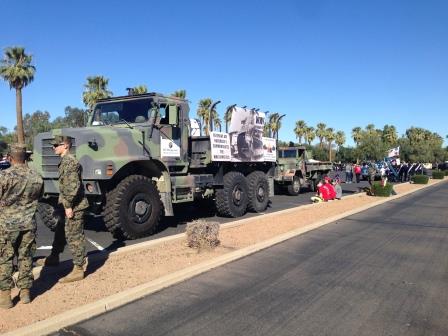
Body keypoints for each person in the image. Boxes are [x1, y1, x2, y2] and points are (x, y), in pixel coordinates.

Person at [37, 135, 89, 283]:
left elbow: (73, 187)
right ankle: (54, 257)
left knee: (75, 236)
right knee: (60, 230)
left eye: (56, 145)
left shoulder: (71, 162)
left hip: (74, 205)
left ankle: (79, 269)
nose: (53, 147)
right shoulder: (65, 161)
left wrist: (68, 206)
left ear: (65, 146)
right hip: (66, 203)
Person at [0, 144, 43, 308]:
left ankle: (5, 297)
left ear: (10, 158)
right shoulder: (36, 176)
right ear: (25, 158)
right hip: (28, 225)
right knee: (25, 258)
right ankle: (25, 293)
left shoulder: (4, 176)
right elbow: (38, 196)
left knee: (5, 259)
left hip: (6, 226)